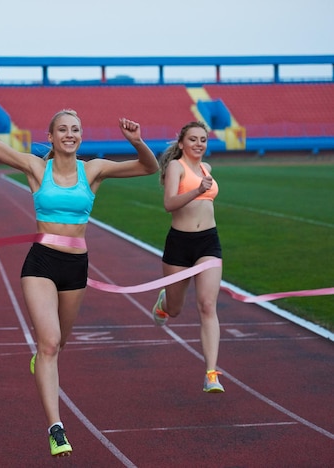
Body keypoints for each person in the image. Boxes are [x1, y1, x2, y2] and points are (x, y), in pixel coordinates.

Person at [0, 67, 159, 458]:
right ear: (51, 137)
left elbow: (149, 168)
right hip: (41, 263)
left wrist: (137, 141)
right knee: (51, 342)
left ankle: (41, 358)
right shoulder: (35, 168)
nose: (70, 135)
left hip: (77, 267)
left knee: (59, 344)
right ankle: (56, 427)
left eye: (76, 129)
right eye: (63, 129)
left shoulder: (92, 170)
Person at [151, 121, 225, 393]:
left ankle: (211, 374)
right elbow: (169, 204)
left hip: (209, 242)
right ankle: (163, 303)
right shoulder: (175, 167)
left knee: (207, 305)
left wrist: (203, 187)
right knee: (176, 309)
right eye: (193, 139)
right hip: (180, 244)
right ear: (182, 143)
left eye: (203, 139)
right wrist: (197, 190)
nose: (198, 144)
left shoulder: (207, 169)